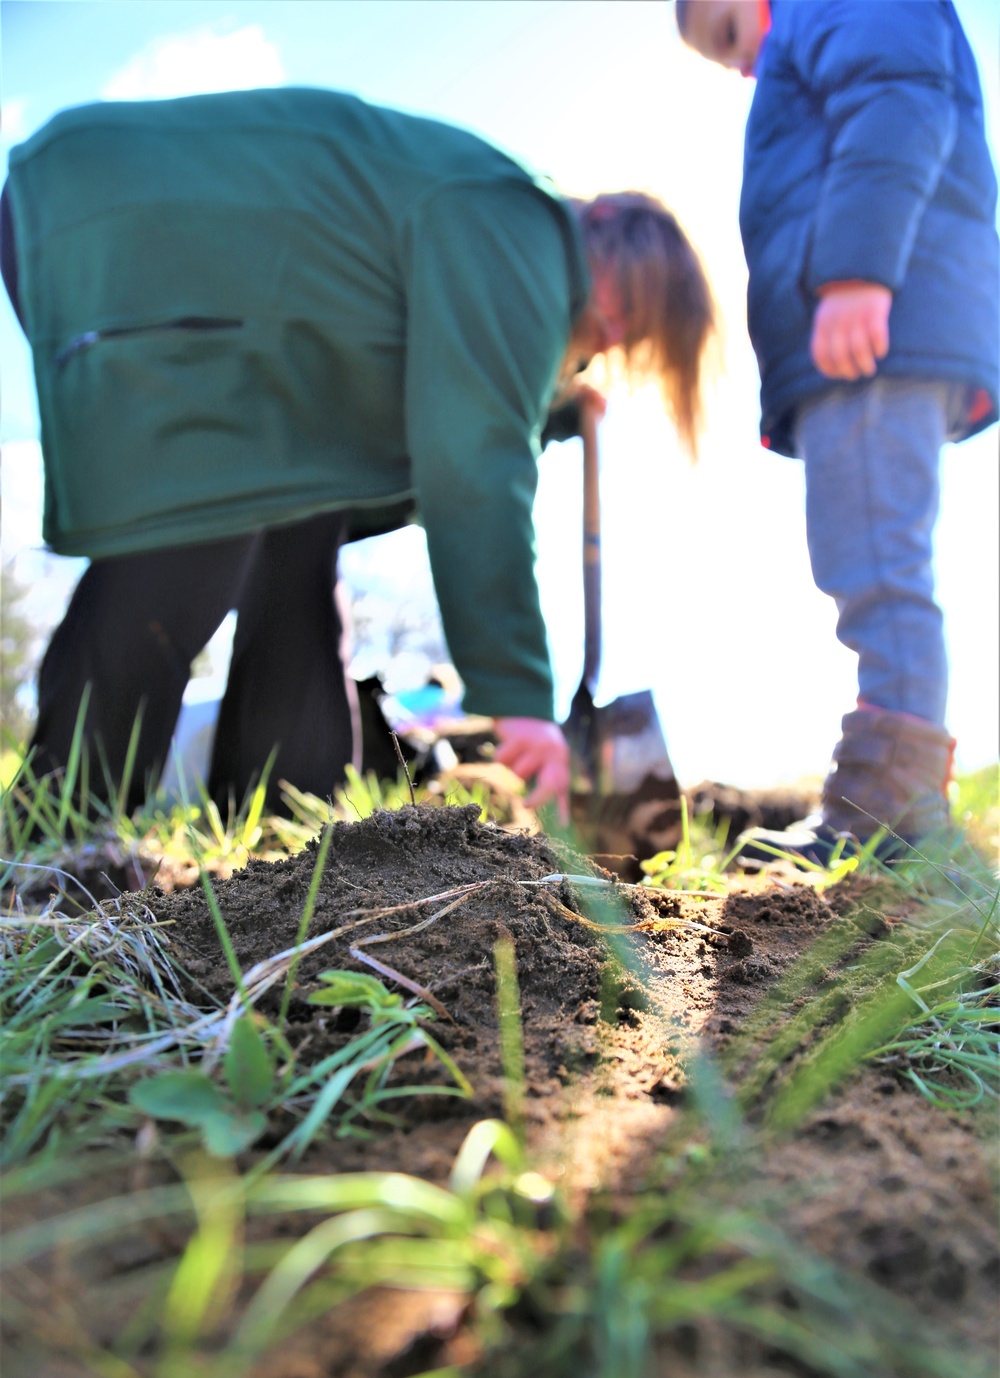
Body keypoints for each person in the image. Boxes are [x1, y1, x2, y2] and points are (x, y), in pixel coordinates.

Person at [1, 87, 715, 821]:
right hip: (123, 222)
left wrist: (554, 409)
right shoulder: (521, 226)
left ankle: (283, 828)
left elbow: (448, 383)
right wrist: (521, 700)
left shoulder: (498, 235)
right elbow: (475, 454)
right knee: (201, 524)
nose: (611, 339)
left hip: (166, 265)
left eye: (630, 338)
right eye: (624, 309)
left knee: (297, 538)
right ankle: (58, 828)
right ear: (599, 233)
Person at [676, 0, 999, 861]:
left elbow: (899, 99)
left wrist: (856, 272)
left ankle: (889, 811)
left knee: (874, 563)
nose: (745, 71)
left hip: (876, 333)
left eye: (731, 40)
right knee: (868, 555)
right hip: (885, 332)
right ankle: (891, 796)